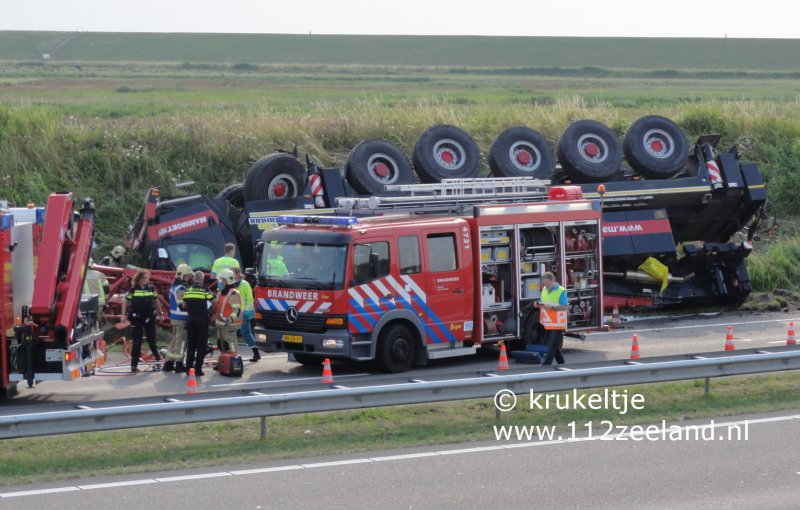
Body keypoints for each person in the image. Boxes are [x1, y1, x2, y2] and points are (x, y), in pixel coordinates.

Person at [120, 269, 163, 372]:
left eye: (147, 278)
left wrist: (160, 313)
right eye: (144, 278)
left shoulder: (151, 289)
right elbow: (125, 302)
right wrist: (123, 315)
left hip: (149, 318)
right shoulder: (133, 290)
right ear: (139, 279)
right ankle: (134, 365)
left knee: (152, 341)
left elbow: (156, 301)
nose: (146, 280)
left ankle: (158, 361)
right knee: (137, 342)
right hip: (137, 319)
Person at [183, 270, 215, 376]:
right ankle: (198, 370)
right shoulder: (205, 290)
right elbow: (213, 302)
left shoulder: (188, 290)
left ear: (194, 279)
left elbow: (184, 305)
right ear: (202, 279)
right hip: (202, 321)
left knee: (191, 346)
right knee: (201, 346)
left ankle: (188, 369)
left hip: (190, 320)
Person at [163, 263, 193, 373]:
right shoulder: (181, 288)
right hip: (181, 319)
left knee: (175, 341)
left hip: (176, 318)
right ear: (181, 275)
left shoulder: (176, 286)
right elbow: (182, 305)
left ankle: (168, 363)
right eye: (188, 276)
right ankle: (179, 364)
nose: (190, 278)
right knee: (181, 342)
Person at [536, 271, 569, 366]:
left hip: (557, 324)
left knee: (551, 346)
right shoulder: (545, 290)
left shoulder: (561, 291)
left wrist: (552, 307)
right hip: (547, 324)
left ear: (552, 281)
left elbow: (565, 307)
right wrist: (538, 304)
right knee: (554, 346)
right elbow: (543, 302)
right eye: (544, 283)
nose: (545, 286)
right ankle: (562, 363)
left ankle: (546, 365)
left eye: (547, 283)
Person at [232, 267, 259, 362]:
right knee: (231, 334)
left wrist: (244, 313)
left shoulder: (245, 284)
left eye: (232, 274)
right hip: (235, 314)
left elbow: (250, 301)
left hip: (245, 314)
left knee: (246, 334)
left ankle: (256, 353)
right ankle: (231, 356)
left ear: (238, 274)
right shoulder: (232, 284)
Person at [214, 269, 242, 360]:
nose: (220, 282)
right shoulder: (221, 292)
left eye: (222, 280)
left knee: (230, 344)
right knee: (221, 344)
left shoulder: (233, 294)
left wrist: (230, 319)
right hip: (221, 324)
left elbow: (236, 310)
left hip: (229, 324)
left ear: (227, 281)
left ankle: (234, 361)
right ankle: (223, 362)